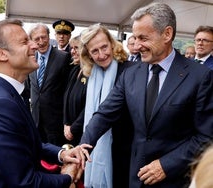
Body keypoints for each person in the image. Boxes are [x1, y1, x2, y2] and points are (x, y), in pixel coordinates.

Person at [80, 2, 213, 188]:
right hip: (136, 177)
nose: (137, 45)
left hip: (175, 179)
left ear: (167, 34)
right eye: (135, 37)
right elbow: (104, 114)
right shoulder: (131, 74)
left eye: (143, 38)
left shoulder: (200, 76)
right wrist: (83, 146)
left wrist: (165, 165)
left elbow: (205, 137)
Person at [0, 19, 92, 188]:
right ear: (0, 54)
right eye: (25, 41)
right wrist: (68, 178)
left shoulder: (5, 94)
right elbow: (24, 182)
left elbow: (27, 144)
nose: (34, 45)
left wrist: (62, 154)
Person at [80, 23, 134, 188]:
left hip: (124, 148)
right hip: (94, 143)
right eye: (94, 51)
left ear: (112, 44)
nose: (101, 55)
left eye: (104, 47)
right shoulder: (91, 75)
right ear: (88, 55)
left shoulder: (131, 70)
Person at [28, 23, 72, 146]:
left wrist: (66, 121)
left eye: (44, 37)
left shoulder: (63, 57)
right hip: (35, 121)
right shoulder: (30, 59)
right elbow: (28, 88)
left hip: (55, 123)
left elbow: (68, 91)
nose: (41, 42)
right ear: (31, 41)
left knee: (54, 161)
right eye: (36, 39)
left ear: (49, 36)